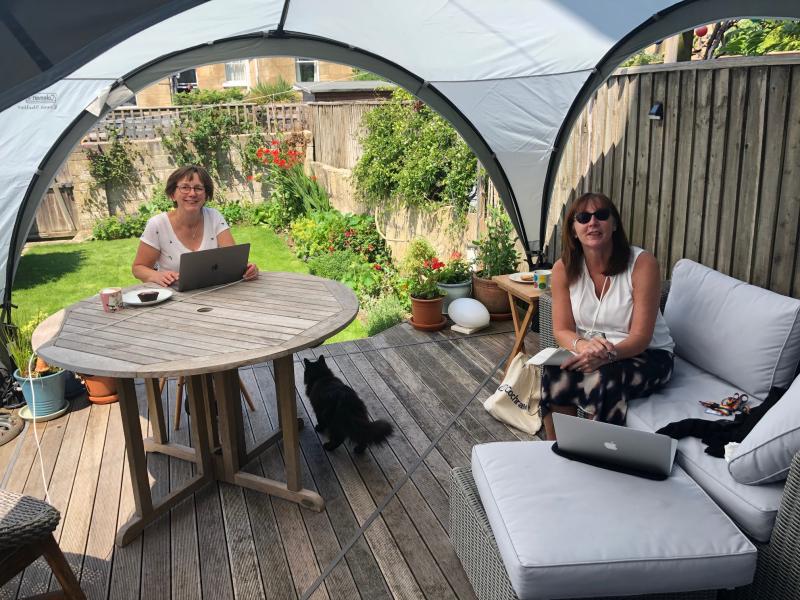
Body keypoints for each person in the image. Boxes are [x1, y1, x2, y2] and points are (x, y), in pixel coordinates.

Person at [541, 192, 674, 440]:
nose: (593, 222)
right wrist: (583, 347)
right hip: (593, 351)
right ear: (573, 229)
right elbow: (561, 330)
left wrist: (606, 356)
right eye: (583, 217)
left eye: (601, 215)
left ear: (614, 225)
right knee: (554, 370)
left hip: (648, 355)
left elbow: (641, 337)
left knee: (606, 377)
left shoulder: (643, 264)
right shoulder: (563, 268)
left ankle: (596, 455)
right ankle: (555, 451)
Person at [132, 165, 258, 286]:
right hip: (172, 297)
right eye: (185, 187)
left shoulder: (214, 217)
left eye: (198, 188)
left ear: (206, 195)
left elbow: (233, 261)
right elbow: (138, 268)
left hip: (214, 292)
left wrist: (248, 269)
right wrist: (156, 276)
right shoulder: (158, 225)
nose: (192, 193)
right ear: (172, 194)